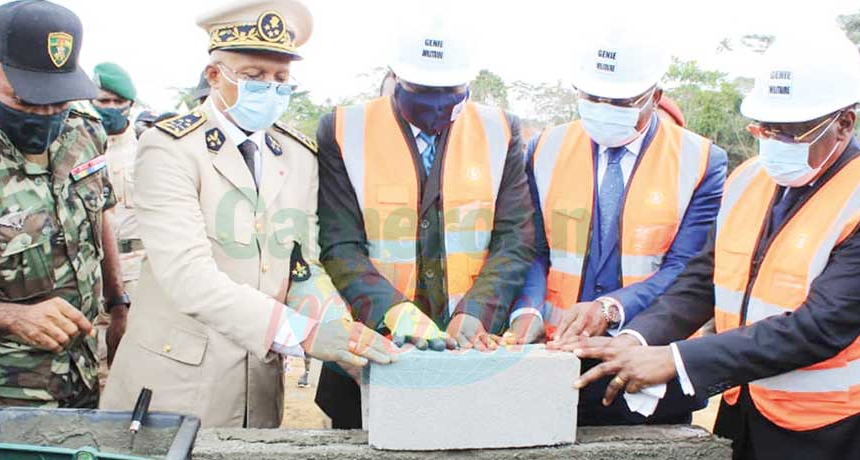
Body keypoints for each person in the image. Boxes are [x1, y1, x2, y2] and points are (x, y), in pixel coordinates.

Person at [573, 29, 860, 460]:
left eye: (792, 132)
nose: (774, 142)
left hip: (837, 426)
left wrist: (677, 359)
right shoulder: (749, 179)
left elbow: (821, 326)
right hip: (745, 408)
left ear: (843, 123)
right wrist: (638, 337)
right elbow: (704, 279)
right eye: (765, 128)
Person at [100, 0, 396, 429]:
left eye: (281, 78)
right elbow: (188, 275)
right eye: (254, 77)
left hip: (257, 383)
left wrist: (346, 339)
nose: (270, 89)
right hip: (174, 383)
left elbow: (300, 267)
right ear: (215, 76)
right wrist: (308, 334)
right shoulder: (169, 148)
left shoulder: (296, 155)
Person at [314, 14, 535, 428]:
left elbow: (515, 238)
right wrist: (392, 311)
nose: (436, 100)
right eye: (420, 89)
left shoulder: (500, 130)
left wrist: (478, 311)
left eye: (450, 90)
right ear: (395, 75)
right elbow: (339, 244)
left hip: (471, 350)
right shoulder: (343, 129)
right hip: (375, 348)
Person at [507, 23, 728, 426]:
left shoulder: (701, 161)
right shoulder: (545, 148)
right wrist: (528, 313)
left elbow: (687, 269)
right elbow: (534, 250)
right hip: (556, 357)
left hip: (650, 362)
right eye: (591, 96)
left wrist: (612, 308)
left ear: (654, 96)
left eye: (620, 100)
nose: (603, 107)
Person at [0, 0, 127, 408]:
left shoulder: (84, 132)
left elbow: (102, 217)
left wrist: (118, 303)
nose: (45, 115)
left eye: (57, 101)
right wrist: (13, 317)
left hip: (81, 371)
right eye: (26, 101)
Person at [91, 62, 141, 390]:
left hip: (138, 269)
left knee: (134, 361)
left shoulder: (149, 150)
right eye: (102, 101)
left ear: (130, 106)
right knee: (96, 360)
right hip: (92, 271)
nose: (109, 109)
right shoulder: (80, 148)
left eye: (116, 102)